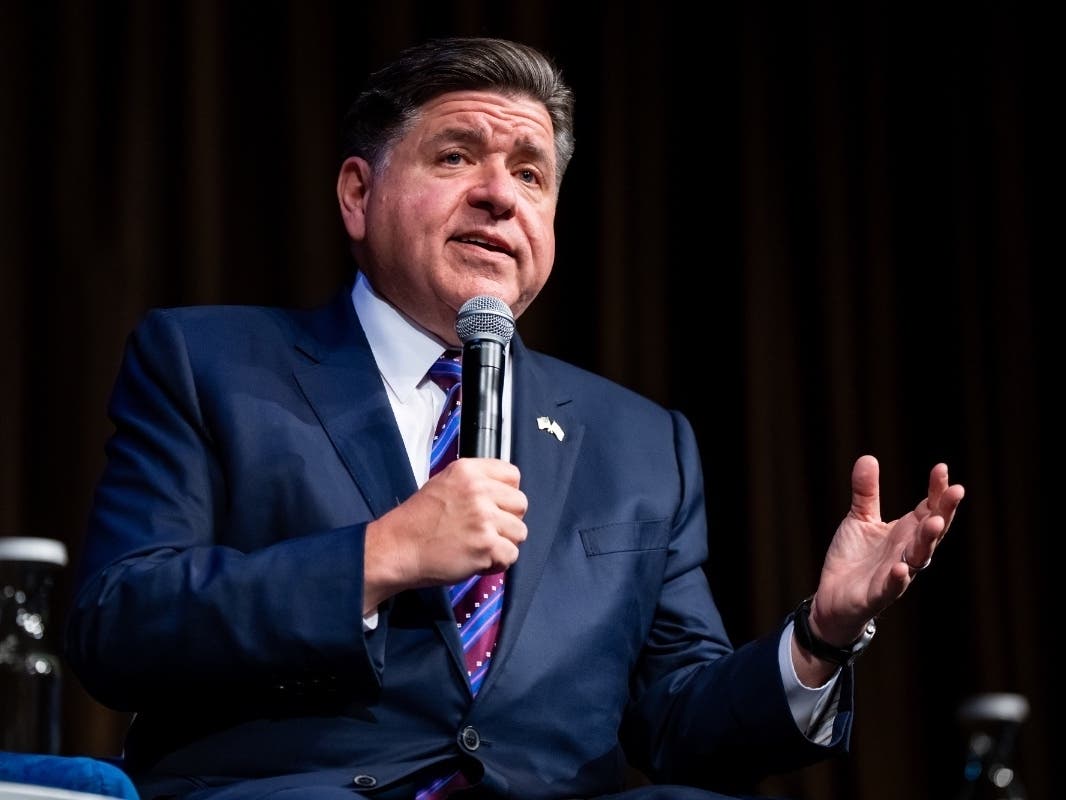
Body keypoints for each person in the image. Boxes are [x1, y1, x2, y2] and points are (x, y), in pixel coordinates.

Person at [63, 36, 965, 800]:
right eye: (456, 156)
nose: (500, 193)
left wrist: (819, 636)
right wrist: (379, 558)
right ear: (357, 194)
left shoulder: (644, 443)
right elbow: (118, 624)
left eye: (529, 173)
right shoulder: (210, 364)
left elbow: (681, 722)